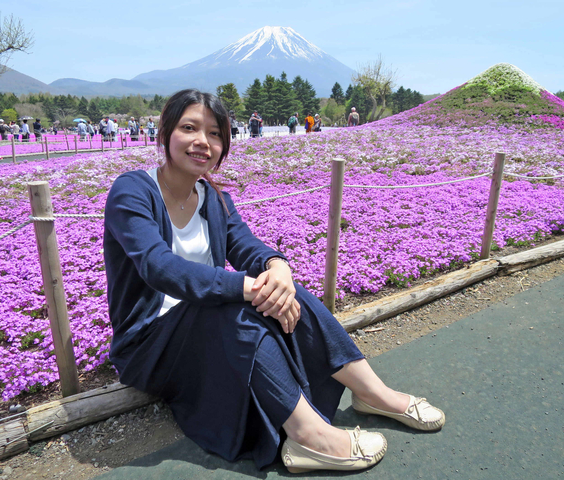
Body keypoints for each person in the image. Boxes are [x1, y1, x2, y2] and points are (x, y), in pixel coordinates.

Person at [103, 89, 445, 474]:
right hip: (149, 347)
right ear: (166, 132)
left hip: (199, 331)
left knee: (286, 291)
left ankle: (373, 393)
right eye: (189, 128)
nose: (203, 141)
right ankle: (310, 437)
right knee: (231, 309)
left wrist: (277, 267)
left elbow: (247, 246)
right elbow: (158, 266)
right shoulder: (132, 191)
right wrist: (246, 288)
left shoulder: (213, 198)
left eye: (215, 133)